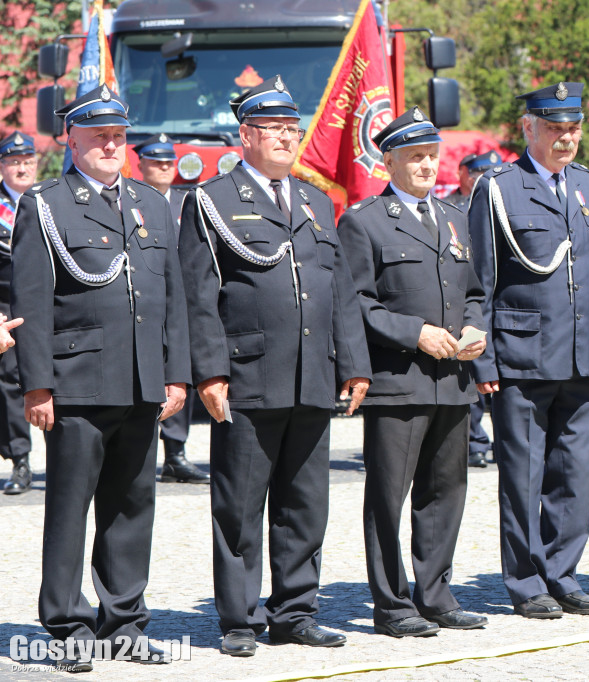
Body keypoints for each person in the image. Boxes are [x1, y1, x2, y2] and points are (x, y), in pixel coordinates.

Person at [177, 75, 371, 656]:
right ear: (246, 136)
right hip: (248, 375)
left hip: (312, 374)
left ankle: (296, 612)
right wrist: (209, 372)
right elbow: (199, 294)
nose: (287, 139)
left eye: (293, 129)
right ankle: (239, 617)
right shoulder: (211, 200)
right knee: (239, 505)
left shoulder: (315, 201)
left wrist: (353, 364)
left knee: (305, 503)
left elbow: (338, 290)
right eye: (274, 130)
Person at [11, 84, 190, 670]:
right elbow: (32, 302)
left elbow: (172, 299)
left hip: (141, 383)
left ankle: (125, 621)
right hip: (77, 383)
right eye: (98, 137)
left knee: (132, 506)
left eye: (118, 136)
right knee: (69, 508)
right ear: (72, 139)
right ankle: (66, 624)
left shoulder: (151, 203)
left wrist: (176, 375)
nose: (111, 146)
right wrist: (37, 385)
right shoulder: (47, 204)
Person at [339, 106, 489, 637]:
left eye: (432, 156)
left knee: (444, 492)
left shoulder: (453, 216)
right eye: (415, 157)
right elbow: (357, 302)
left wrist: (474, 331)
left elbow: (474, 291)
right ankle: (392, 603)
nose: (427, 166)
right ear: (389, 162)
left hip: (453, 380)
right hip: (398, 380)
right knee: (388, 495)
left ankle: (436, 594)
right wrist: (415, 333)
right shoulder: (364, 222)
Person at [468, 81, 589, 619]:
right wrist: (483, 359)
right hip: (521, 357)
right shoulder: (500, 187)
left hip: (580, 357)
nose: (566, 138)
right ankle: (527, 581)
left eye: (573, 128)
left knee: (574, 475)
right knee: (523, 476)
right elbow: (480, 281)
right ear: (528, 127)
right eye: (554, 128)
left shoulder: (587, 186)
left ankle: (564, 573)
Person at [133, 133, 209, 482]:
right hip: (146, 299)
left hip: (185, 300)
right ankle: (141, 447)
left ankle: (176, 452)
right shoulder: (132, 201)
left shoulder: (189, 200)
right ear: (142, 164)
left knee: (181, 371)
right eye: (156, 161)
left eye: (168, 161)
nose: (164, 166)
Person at [449, 150, 502, 467]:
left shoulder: (501, 204)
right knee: (471, 367)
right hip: (466, 300)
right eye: (480, 172)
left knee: (494, 371)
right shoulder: (452, 207)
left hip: (494, 296)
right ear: (464, 174)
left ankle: (491, 439)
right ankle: (475, 439)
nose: (486, 178)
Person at [0, 131, 35, 494]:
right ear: (2, 167)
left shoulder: (48, 199)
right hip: (5, 304)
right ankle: (20, 460)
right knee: (10, 379)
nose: (22, 168)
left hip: (51, 301)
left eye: (27, 161)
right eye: (14, 162)